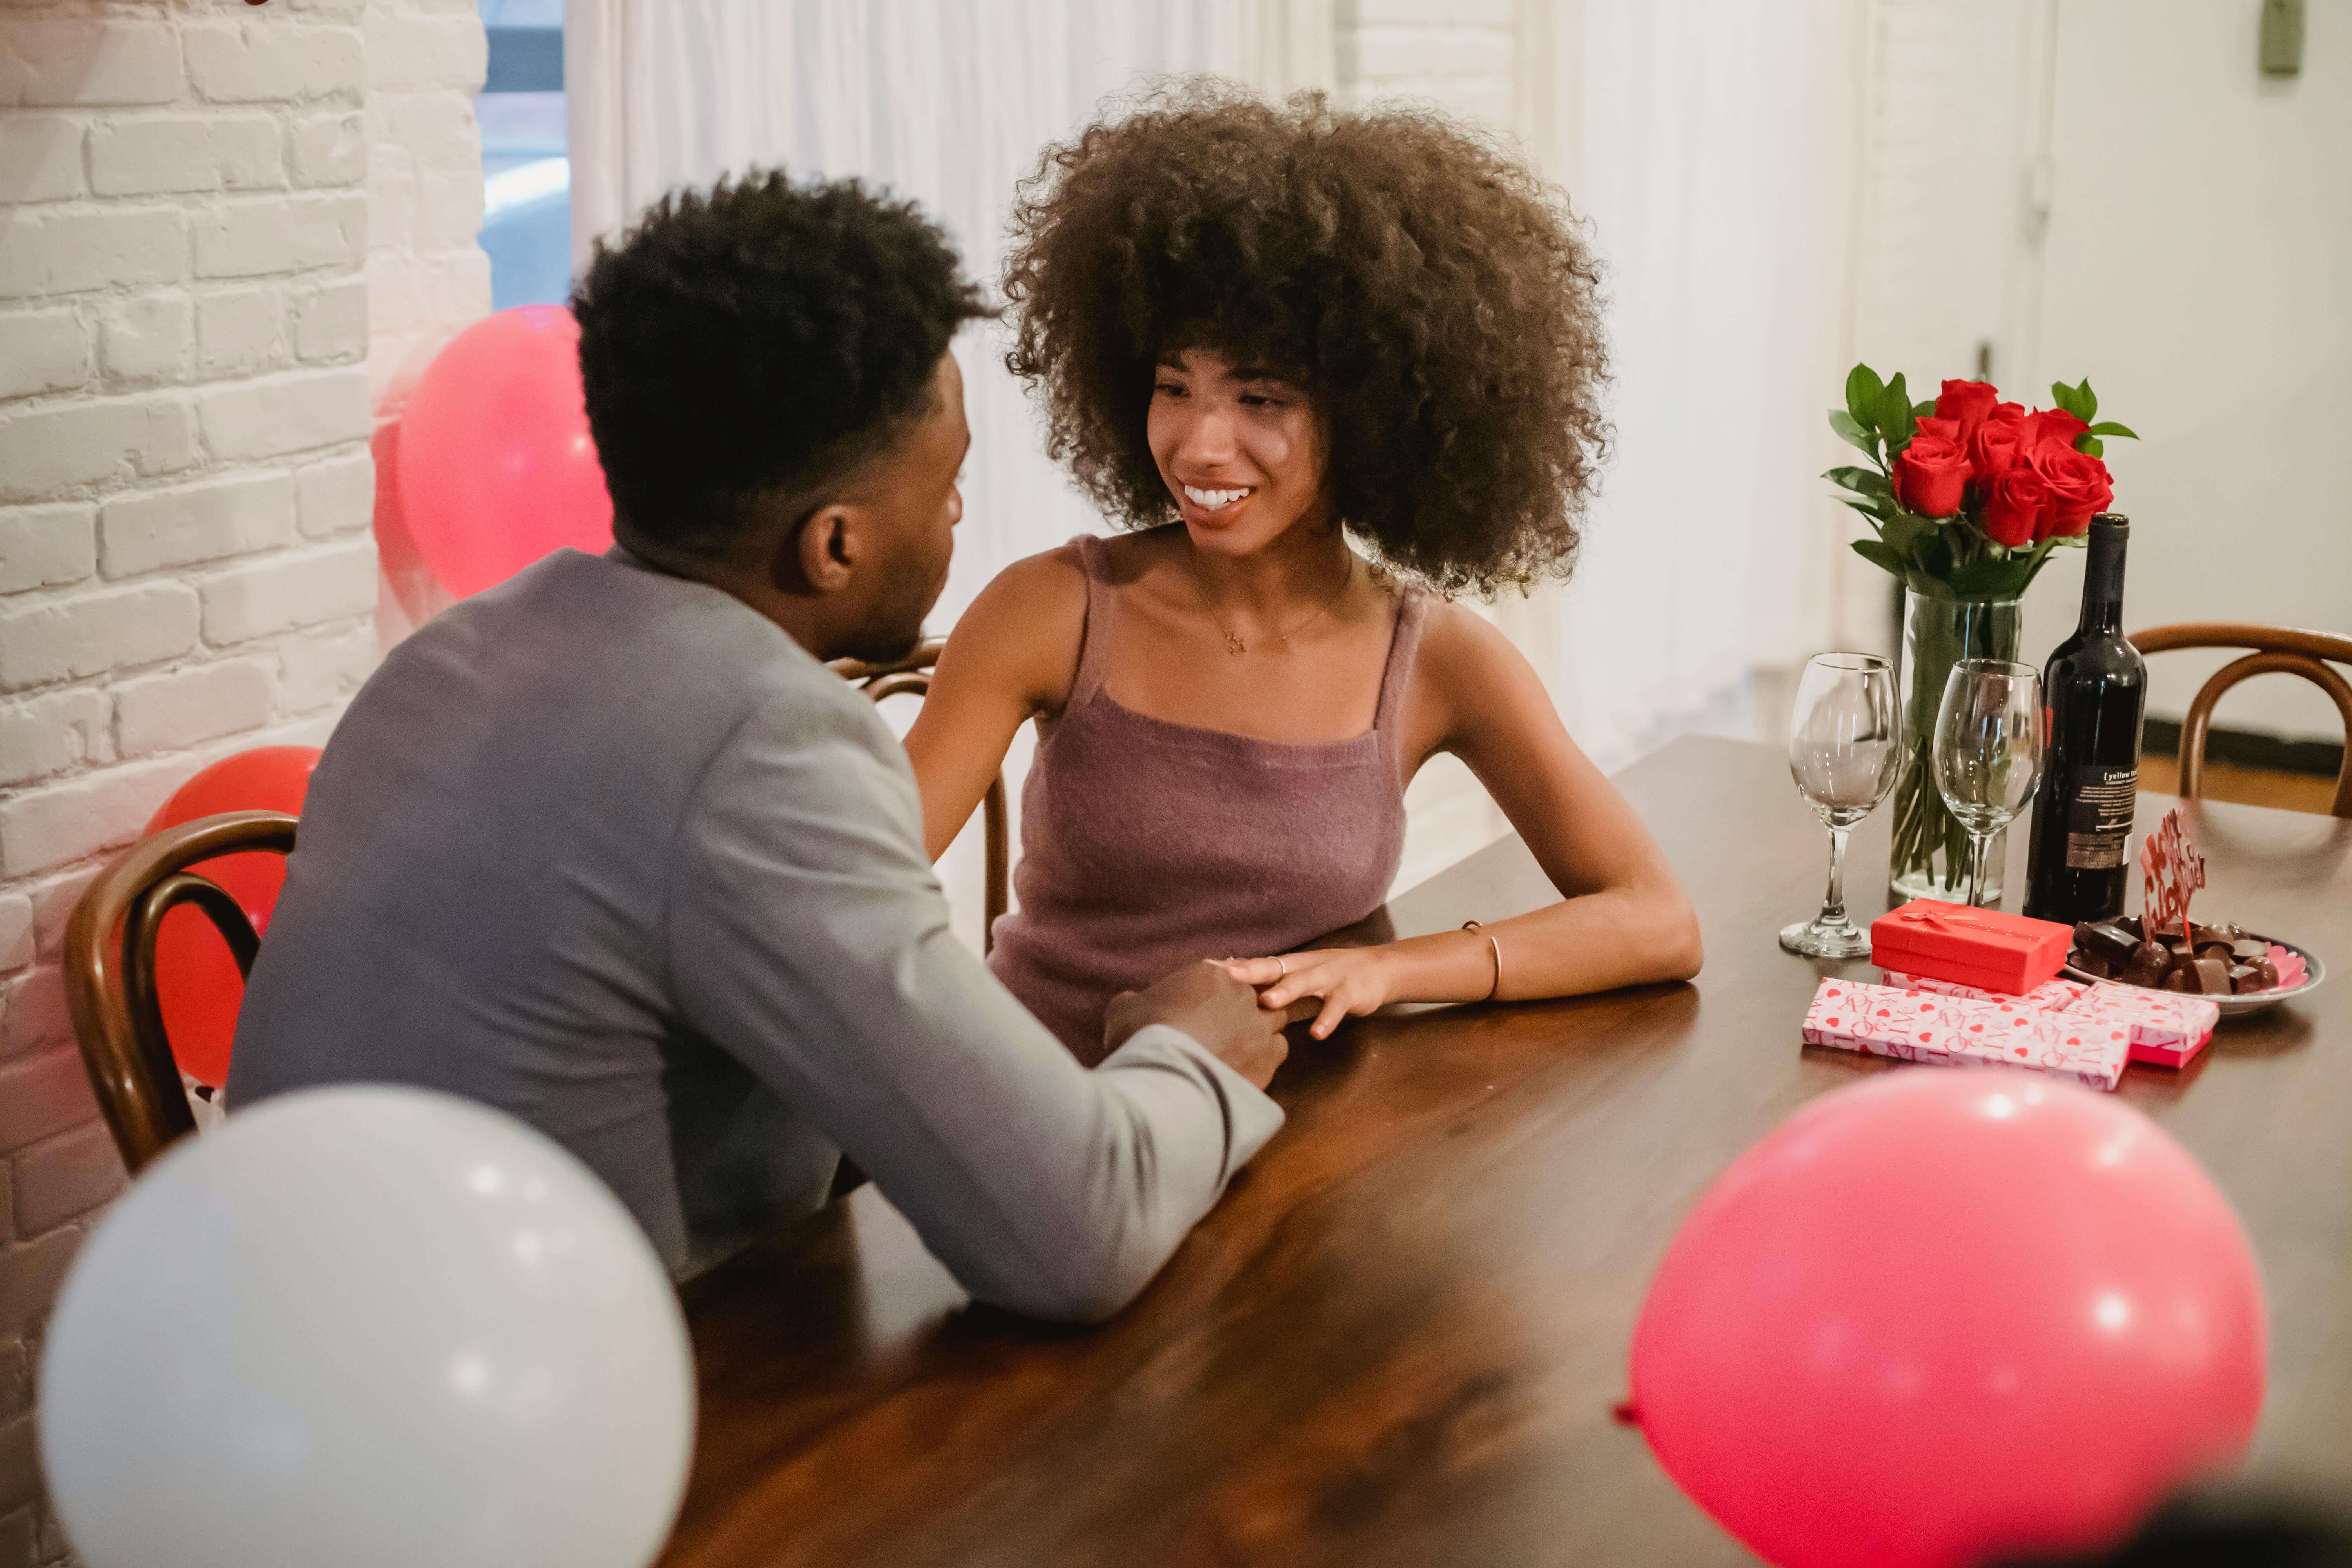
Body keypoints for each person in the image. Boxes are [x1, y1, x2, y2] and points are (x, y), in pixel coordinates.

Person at [227, 172, 1289, 1322]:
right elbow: (1080, 1233)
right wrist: (1191, 1051)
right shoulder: (763, 745)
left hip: (296, 1342)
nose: (956, 515)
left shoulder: (443, 658)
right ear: (833, 546)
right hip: (578, 1393)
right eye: (946, 484)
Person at [905, 87, 1703, 1062]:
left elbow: (1657, 918)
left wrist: (1391, 970)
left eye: (1261, 397)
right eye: (1173, 386)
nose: (1200, 444)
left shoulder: (1435, 657)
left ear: (1373, 415)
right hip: (1057, 1109)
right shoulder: (1056, 608)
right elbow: (857, 887)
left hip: (1311, 1122)